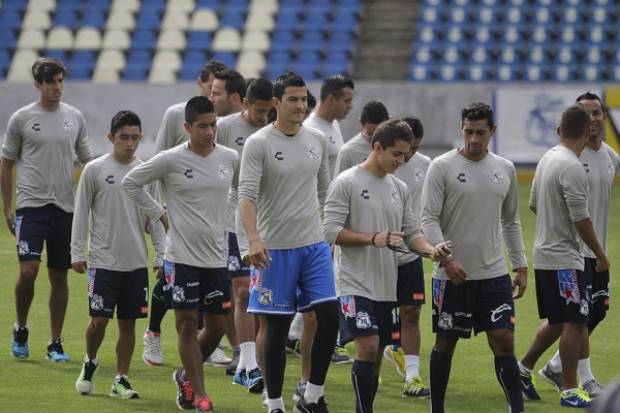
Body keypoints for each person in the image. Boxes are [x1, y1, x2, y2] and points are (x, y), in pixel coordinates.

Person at [322, 118, 450, 413]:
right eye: (396, 154)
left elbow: (411, 233)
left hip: (386, 284)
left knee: (377, 351)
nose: (402, 161)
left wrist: (431, 250)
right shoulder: (347, 182)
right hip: (353, 282)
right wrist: (372, 238)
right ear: (377, 147)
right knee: (366, 347)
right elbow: (329, 231)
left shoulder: (399, 188)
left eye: (405, 155)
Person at [123, 97, 239, 413]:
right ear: (187, 127)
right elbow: (131, 183)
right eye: (202, 126)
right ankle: (199, 394)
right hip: (181, 258)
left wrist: (231, 220)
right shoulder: (170, 159)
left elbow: (246, 191)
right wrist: (159, 212)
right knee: (187, 324)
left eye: (213, 125)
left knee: (216, 327)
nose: (210, 132)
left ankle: (184, 375)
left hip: (216, 258)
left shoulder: (230, 158)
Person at [239, 72, 339, 413]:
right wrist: (253, 239)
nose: (300, 105)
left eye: (304, 98)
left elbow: (326, 192)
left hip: (313, 247)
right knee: (277, 330)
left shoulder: (317, 141)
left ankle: (312, 395)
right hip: (274, 251)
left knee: (329, 317)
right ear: (276, 103)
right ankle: (276, 403)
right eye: (293, 99)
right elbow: (246, 196)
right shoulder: (260, 143)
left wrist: (330, 233)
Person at [421, 102, 528, 413]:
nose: (474, 139)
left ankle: (516, 410)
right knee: (445, 344)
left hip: (493, 275)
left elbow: (511, 220)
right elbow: (427, 218)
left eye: (481, 132)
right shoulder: (441, 166)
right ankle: (437, 409)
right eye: (468, 132)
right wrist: (446, 259)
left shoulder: (504, 168)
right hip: (451, 275)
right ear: (461, 130)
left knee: (504, 341)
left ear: (492, 131)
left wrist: (520, 265)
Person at [518, 104, 610, 409]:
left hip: (545, 252)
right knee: (575, 323)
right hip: (565, 258)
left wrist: (553, 223)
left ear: (559, 130)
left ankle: (522, 369)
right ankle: (571, 389)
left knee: (560, 321)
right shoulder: (572, 166)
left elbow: (533, 204)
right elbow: (581, 220)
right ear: (587, 131)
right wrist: (599, 254)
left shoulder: (547, 159)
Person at [1, 57, 93, 361]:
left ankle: (55, 342)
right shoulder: (21, 118)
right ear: (37, 84)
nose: (58, 87)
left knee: (59, 275)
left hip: (64, 206)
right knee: (28, 269)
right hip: (30, 205)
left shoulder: (74, 117)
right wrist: (8, 206)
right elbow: (7, 163)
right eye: (51, 82)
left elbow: (86, 160)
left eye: (60, 81)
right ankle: (21, 327)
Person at [72, 110, 166, 399]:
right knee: (99, 321)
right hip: (102, 261)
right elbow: (81, 212)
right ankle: (90, 361)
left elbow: (157, 214)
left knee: (128, 324)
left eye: (135, 138)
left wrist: (161, 255)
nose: (130, 144)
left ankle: (120, 379)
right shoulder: (95, 169)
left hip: (136, 262)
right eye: (124, 138)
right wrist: (77, 251)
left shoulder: (145, 172)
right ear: (111, 137)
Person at [144, 60, 230, 368]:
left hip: (210, 221)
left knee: (206, 289)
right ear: (202, 83)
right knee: (166, 278)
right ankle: (153, 332)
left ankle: (206, 342)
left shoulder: (222, 124)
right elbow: (157, 163)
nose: (215, 93)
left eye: (220, 89)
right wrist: (157, 211)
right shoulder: (175, 114)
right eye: (212, 86)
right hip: (175, 213)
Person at [535, 93, 618, 397]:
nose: (593, 118)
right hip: (575, 252)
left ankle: (546, 366)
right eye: (586, 113)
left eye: (597, 112)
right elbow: (543, 205)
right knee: (576, 318)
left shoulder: (610, 157)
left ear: (603, 118)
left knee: (593, 313)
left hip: (596, 250)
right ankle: (582, 379)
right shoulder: (569, 158)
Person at [217, 78, 273, 393]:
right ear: (245, 104)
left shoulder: (273, 132)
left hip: (269, 225)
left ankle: (250, 360)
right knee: (240, 292)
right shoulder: (225, 128)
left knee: (262, 295)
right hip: (230, 222)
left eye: (269, 111)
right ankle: (247, 362)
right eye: (259, 111)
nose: (263, 117)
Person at [382, 116, 433, 398]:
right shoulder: (380, 166)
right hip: (378, 254)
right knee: (381, 317)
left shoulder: (426, 166)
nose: (407, 155)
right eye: (404, 149)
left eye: (413, 148)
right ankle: (372, 369)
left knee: (411, 313)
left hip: (410, 250)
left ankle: (413, 377)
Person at [304, 75, 354, 178]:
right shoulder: (311, 130)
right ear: (331, 100)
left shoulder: (334, 123)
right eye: (346, 101)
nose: (350, 106)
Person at [334, 101, 389, 176]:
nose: (376, 139)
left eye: (380, 133)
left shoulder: (397, 147)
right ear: (361, 123)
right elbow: (338, 185)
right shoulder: (347, 152)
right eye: (370, 134)